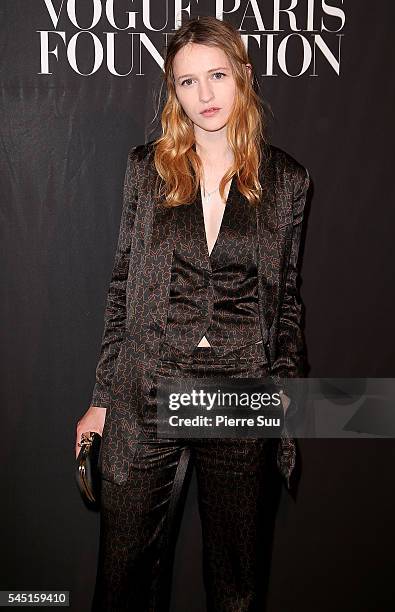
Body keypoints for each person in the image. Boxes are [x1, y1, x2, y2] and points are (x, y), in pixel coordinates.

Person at [75, 15, 310, 612]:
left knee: (236, 583)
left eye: (217, 75)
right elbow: (123, 287)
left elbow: (286, 302)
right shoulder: (146, 169)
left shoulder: (286, 180)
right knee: (124, 578)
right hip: (147, 382)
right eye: (186, 82)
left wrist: (283, 389)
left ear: (244, 77)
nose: (204, 96)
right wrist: (101, 399)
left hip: (238, 392)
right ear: (172, 93)